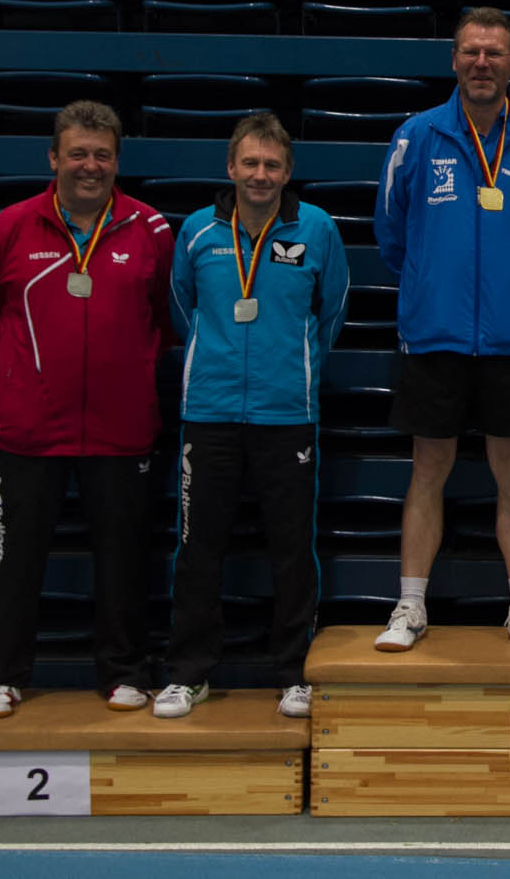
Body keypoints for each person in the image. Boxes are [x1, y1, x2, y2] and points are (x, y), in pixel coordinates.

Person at [0, 100, 173, 718]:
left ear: (117, 161)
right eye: (78, 153)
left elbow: (166, 320)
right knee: (12, 564)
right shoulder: (11, 227)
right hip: (28, 431)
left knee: (124, 564)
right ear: (53, 157)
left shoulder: (151, 229)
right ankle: (1, 676)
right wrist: (22, 376)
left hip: (121, 430)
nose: (90, 165)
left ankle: (125, 674)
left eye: (102, 154)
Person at [372, 8, 510, 654]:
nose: (482, 63)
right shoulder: (417, 137)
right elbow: (392, 234)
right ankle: (410, 605)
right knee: (428, 466)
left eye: (494, 52)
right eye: (471, 51)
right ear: (454, 60)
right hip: (434, 335)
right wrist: (433, 287)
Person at [155, 113, 349, 719]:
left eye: (271, 165)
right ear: (230, 167)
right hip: (209, 411)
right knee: (197, 550)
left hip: (286, 414)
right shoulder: (198, 231)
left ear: (287, 172)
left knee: (292, 551)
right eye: (250, 163)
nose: (260, 174)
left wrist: (293, 366)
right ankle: (189, 674)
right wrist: (214, 358)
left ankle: (293, 674)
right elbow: (181, 306)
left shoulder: (316, 229)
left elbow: (332, 310)